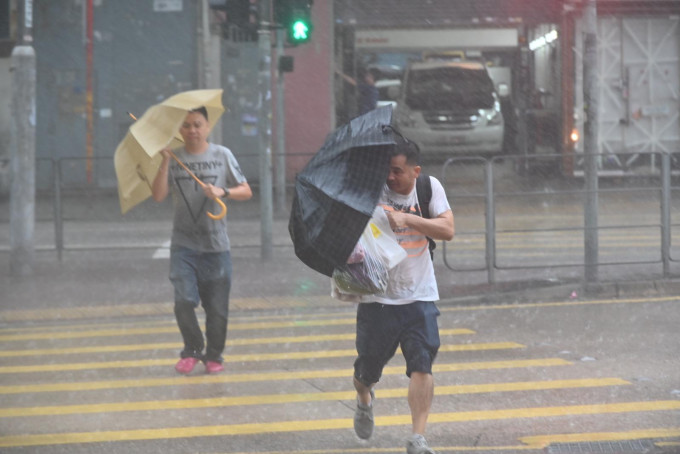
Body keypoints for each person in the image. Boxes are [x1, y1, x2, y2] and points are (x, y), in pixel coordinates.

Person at [351, 137, 454, 454]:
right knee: (367, 370)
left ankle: (417, 437)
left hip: (419, 296)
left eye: (397, 171)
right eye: (387, 170)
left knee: (422, 365)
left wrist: (408, 218)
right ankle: (364, 398)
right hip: (377, 300)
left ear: (415, 170)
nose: (391, 177)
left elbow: (447, 229)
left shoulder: (428, 187)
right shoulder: (369, 190)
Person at [151, 107, 252, 375]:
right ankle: (192, 349)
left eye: (197, 124)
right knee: (184, 301)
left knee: (217, 308)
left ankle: (214, 355)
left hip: (216, 247)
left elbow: (246, 190)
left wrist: (222, 190)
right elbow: (158, 195)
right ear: (180, 130)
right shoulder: (173, 158)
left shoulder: (222, 155)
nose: (192, 130)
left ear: (207, 127)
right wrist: (164, 160)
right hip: (183, 245)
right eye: (186, 126)